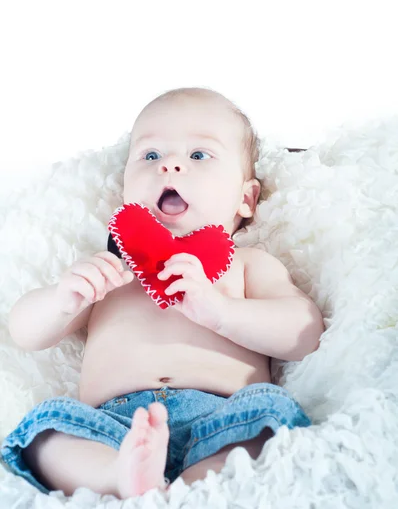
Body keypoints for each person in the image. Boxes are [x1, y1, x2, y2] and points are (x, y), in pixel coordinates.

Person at [1, 87, 324, 499]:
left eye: (199, 155)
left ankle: (195, 486)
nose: (170, 165)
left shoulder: (247, 264)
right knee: (45, 429)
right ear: (124, 191)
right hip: (112, 427)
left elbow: (305, 333)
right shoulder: (110, 268)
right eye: (151, 156)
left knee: (271, 416)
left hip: (224, 416)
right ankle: (120, 476)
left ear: (245, 199)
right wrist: (63, 299)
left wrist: (221, 312)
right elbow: (25, 332)